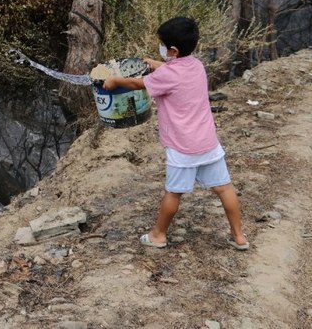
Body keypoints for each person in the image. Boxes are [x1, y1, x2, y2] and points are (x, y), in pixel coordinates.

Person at [103, 17, 249, 250]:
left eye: (162, 45)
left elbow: (136, 84)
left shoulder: (166, 76)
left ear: (173, 50)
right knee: (224, 187)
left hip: (183, 148)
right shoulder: (197, 66)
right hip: (208, 142)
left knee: (174, 193)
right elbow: (173, 73)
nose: (160, 48)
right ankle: (239, 236)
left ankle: (158, 235)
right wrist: (154, 63)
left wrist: (113, 81)